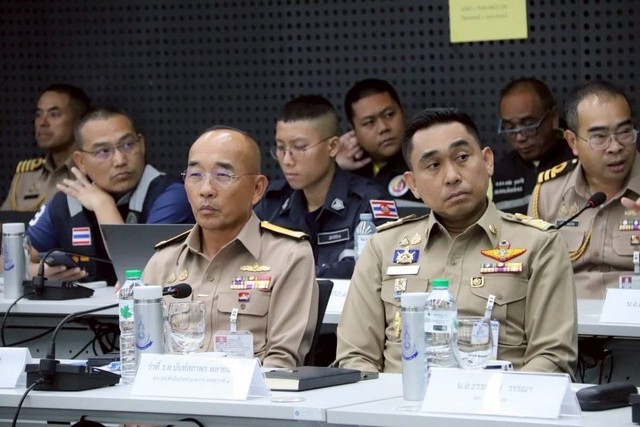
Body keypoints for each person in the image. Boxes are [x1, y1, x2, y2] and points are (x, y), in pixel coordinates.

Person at [336, 108, 577, 374]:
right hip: (402, 397)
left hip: (499, 396)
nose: (451, 176)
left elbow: (551, 357)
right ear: (413, 184)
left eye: (462, 157)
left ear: (487, 161)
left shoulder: (539, 245)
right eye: (433, 165)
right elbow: (355, 356)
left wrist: (499, 398)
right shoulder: (383, 247)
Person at [142, 127, 318, 368]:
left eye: (223, 175)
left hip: (248, 391)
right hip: (172, 388)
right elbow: (143, 351)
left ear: (257, 189)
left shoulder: (288, 256)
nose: (206, 189)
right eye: (195, 175)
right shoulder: (164, 261)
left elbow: (282, 362)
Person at [27, 106, 194, 285]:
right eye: (103, 151)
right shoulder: (68, 200)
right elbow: (17, 261)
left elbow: (139, 271)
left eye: (128, 145)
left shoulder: (171, 194)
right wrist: (35, 272)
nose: (120, 160)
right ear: (80, 161)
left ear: (142, 145)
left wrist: (103, 205)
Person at [254, 95, 396, 279]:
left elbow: (366, 269)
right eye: (281, 148)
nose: (287, 160)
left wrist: (284, 275)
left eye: (300, 147)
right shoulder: (271, 202)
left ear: (333, 146)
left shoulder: (369, 201)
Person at [529, 80, 638, 299]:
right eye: (599, 137)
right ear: (573, 142)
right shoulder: (548, 194)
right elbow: (532, 275)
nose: (615, 147)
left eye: (625, 132)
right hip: (570, 317)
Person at [1, 84, 91, 211]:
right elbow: (6, 221)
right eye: (39, 115)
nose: (42, 122)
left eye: (54, 114)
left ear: (79, 122)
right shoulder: (27, 177)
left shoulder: (93, 173)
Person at [492, 77, 575, 214]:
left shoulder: (579, 161)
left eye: (529, 125)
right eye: (510, 127)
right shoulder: (498, 174)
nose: (520, 137)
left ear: (553, 117)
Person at [337, 78, 417, 201]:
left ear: (403, 111)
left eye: (389, 115)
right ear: (353, 129)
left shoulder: (423, 161)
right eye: (369, 122)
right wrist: (334, 166)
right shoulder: (347, 174)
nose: (383, 127)